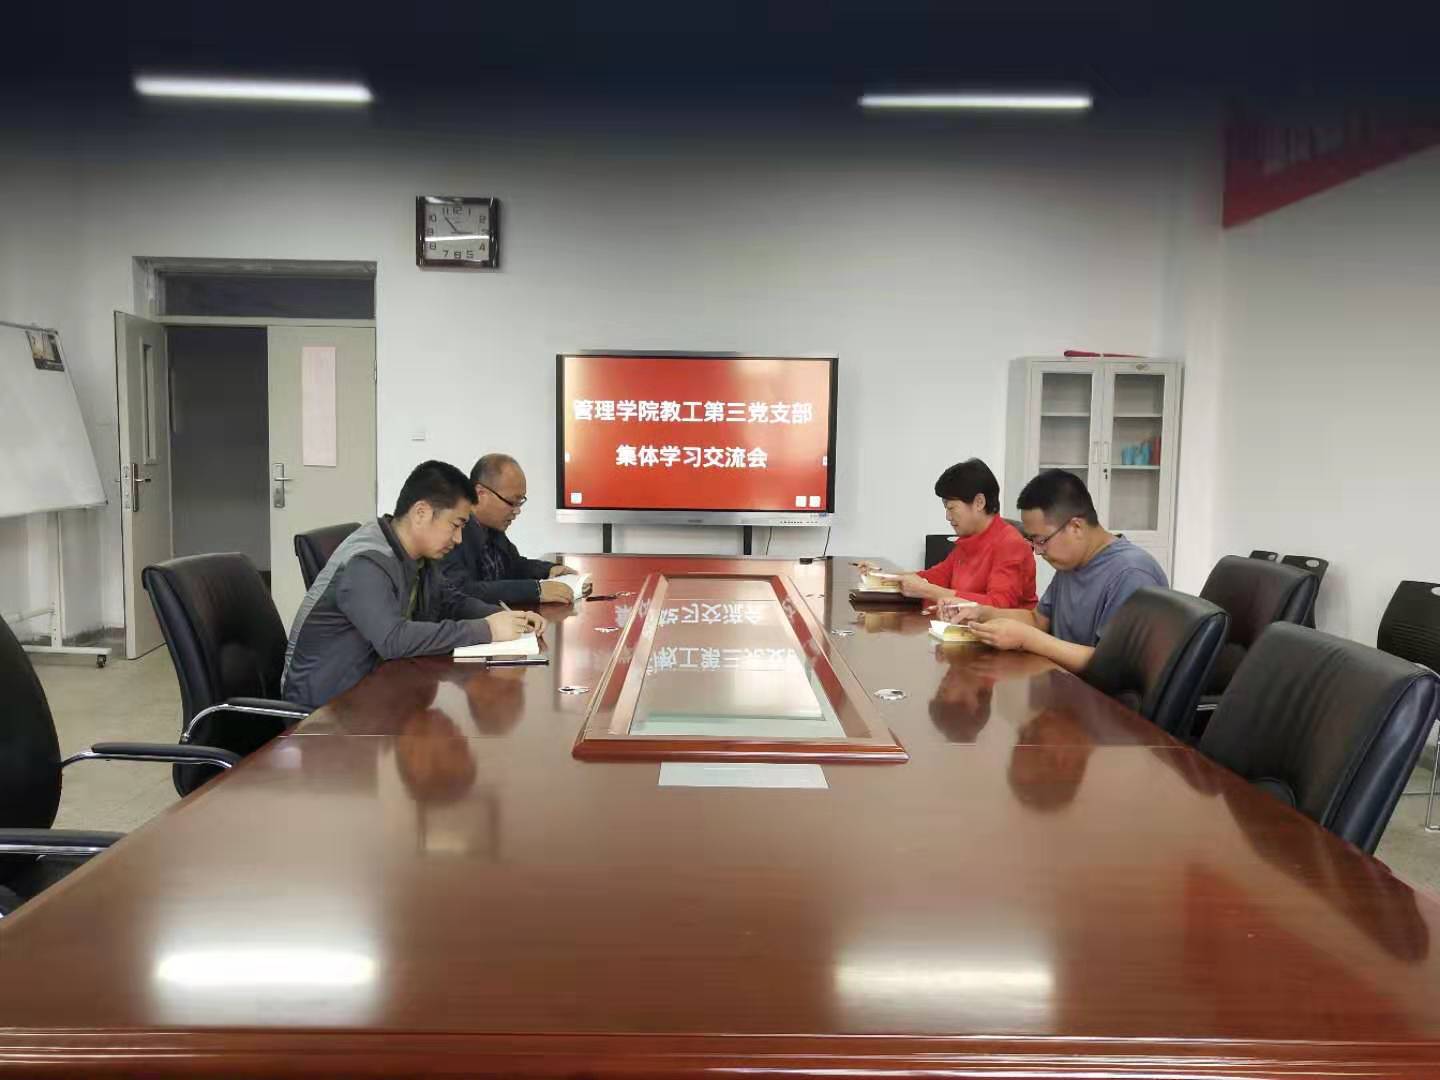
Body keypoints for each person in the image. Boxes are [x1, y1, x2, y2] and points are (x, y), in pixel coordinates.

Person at [282, 460, 545, 709]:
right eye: (455, 525)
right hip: (325, 712)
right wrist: (487, 630)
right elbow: (394, 639)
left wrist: (506, 617)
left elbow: (451, 601)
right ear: (421, 512)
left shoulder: (417, 555)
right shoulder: (366, 561)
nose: (459, 539)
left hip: (377, 690)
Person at [950, 469, 1166, 674]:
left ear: (1076, 527)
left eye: (1041, 540)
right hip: (1060, 681)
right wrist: (982, 613)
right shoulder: (1072, 563)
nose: (1037, 551)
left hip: (1099, 697)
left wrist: (1027, 639)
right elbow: (1038, 621)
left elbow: (1109, 666)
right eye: (1032, 541)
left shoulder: (1132, 574)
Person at [886, 458, 1037, 608]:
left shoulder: (1010, 544)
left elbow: (997, 606)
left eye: (951, 508)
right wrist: (885, 577)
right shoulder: (970, 539)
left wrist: (927, 591)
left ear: (979, 502)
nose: (948, 516)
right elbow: (936, 577)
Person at [443, 453, 592, 605]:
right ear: (480, 493)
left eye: (520, 502)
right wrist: (535, 590)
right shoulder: (452, 533)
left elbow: (515, 565)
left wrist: (548, 570)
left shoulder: (492, 530)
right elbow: (463, 590)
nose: (517, 511)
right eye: (511, 502)